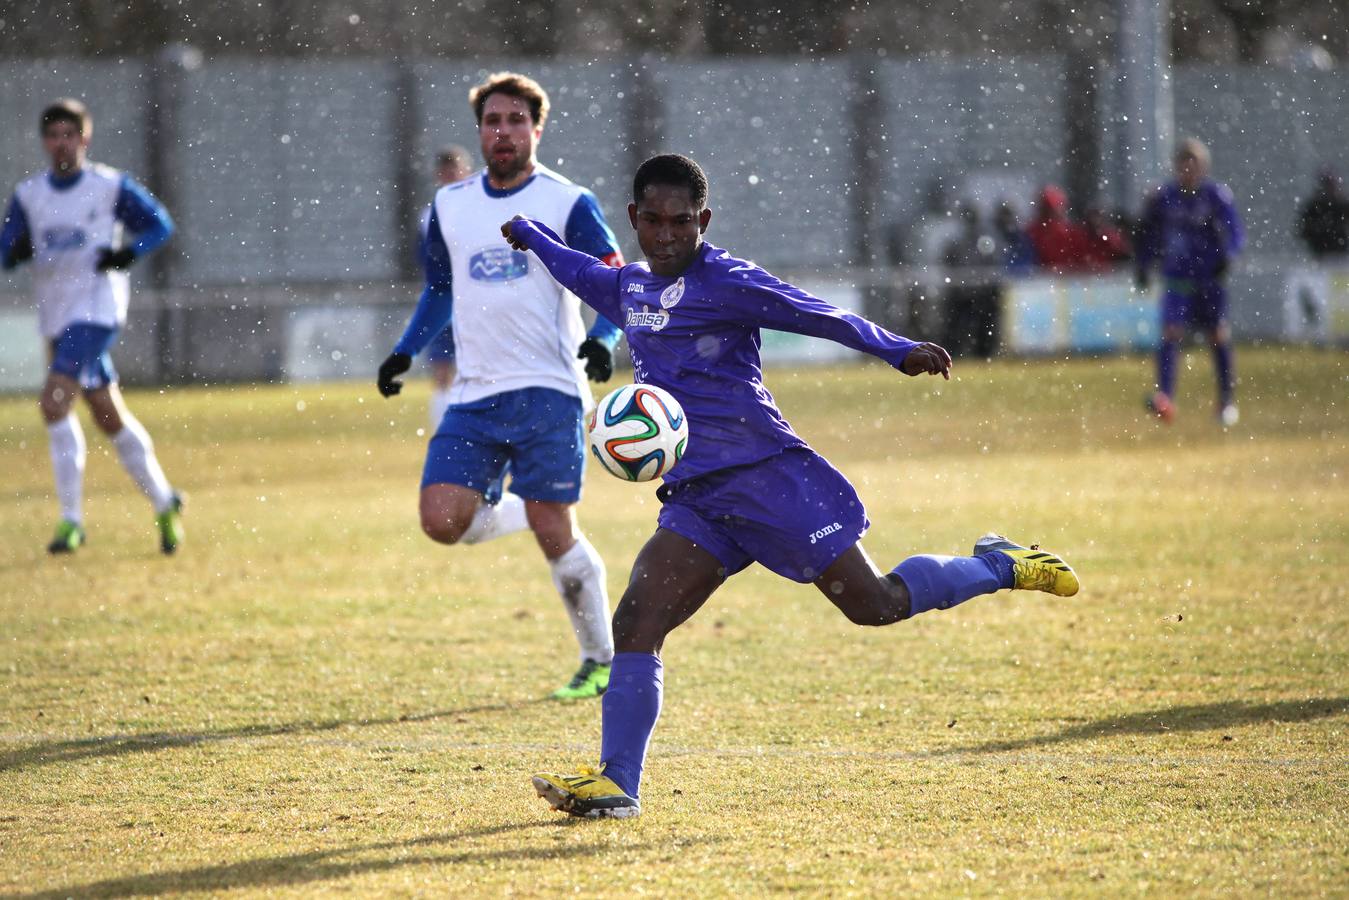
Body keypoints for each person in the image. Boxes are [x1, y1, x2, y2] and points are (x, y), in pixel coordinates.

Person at [502, 154, 1081, 819]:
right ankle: (617, 784)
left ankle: (996, 565)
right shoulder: (629, 287)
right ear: (633, 218)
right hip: (701, 501)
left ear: (704, 220)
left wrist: (897, 349)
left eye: (681, 223)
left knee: (875, 604)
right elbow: (577, 270)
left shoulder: (726, 281)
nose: (665, 236)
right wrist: (532, 236)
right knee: (637, 619)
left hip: (768, 478)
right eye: (653, 222)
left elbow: (814, 314)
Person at [376, 73, 626, 701]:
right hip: (475, 394)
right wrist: (405, 351)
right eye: (493, 121)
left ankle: (600, 658)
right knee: (441, 519)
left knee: (554, 532)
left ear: (537, 129)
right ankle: (540, 509)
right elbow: (439, 288)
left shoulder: (569, 202)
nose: (504, 131)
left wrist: (603, 341)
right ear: (479, 131)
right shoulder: (452, 206)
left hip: (550, 388)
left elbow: (616, 280)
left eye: (517, 120)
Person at [0, 99, 183, 555]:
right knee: (107, 414)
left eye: (70, 134)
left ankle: (71, 522)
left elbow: (160, 224)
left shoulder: (108, 187)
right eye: (53, 135)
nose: (62, 144)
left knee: (53, 404)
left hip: (98, 309)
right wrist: (15, 252)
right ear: (44, 142)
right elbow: (5, 247)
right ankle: (164, 501)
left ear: (85, 138)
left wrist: (129, 252)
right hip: (57, 314)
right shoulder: (30, 195)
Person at [1135, 138, 1245, 427]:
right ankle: (1165, 398)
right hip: (1178, 277)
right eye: (1182, 164)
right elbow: (1147, 232)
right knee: (1171, 332)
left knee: (1217, 335)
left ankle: (1226, 401)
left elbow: (1234, 232)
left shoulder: (1216, 196)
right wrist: (1144, 264)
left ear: (1203, 167)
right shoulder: (1164, 198)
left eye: (1192, 164)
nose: (1187, 170)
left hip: (1209, 279)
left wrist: (1229, 256)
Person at [421, 146, 473, 429]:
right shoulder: (429, 215)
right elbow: (429, 263)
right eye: (446, 172)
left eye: (456, 170)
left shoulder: (480, 209)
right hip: (446, 304)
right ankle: (443, 433)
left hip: (478, 303)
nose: (451, 176)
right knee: (442, 370)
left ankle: (470, 430)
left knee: (478, 370)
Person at [1026, 185, 1092, 275]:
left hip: (1071, 282)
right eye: (1046, 209)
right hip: (1043, 284)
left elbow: (1084, 263)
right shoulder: (1031, 233)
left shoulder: (1073, 234)